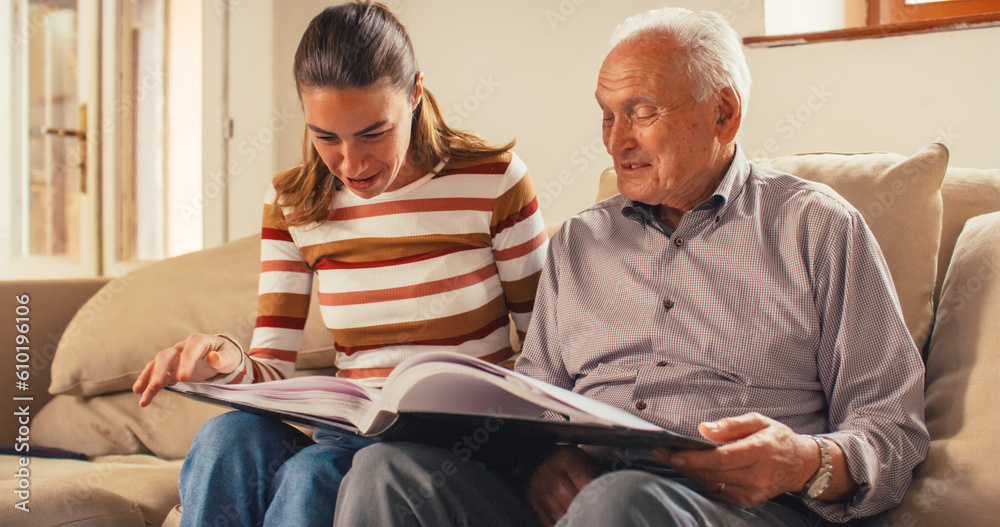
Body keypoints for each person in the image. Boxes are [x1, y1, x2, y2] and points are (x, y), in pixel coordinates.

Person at [333, 6, 929, 527]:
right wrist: (537, 461)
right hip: (588, 500)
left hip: (738, 509)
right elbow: (532, 403)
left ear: (723, 113)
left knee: (618, 504)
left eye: (641, 113)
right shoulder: (580, 243)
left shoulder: (818, 228)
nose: (615, 142)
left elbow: (892, 429)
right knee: (385, 473)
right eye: (606, 115)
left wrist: (803, 461)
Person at [130, 2, 547, 526]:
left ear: (415, 94)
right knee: (226, 435)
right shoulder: (293, 204)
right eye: (325, 137)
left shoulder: (495, 182)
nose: (352, 164)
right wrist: (227, 362)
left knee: (313, 477)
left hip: (462, 447)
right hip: (348, 432)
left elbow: (546, 354)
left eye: (373, 133)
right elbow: (272, 371)